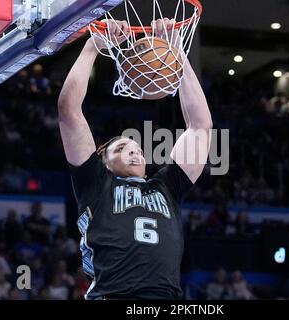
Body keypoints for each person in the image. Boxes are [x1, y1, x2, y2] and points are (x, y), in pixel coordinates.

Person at [58, 18, 212, 300]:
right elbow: (69, 110)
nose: (134, 150)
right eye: (121, 148)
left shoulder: (166, 186)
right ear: (103, 161)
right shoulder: (95, 183)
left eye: (137, 147)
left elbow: (200, 126)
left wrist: (177, 50)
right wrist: (93, 46)